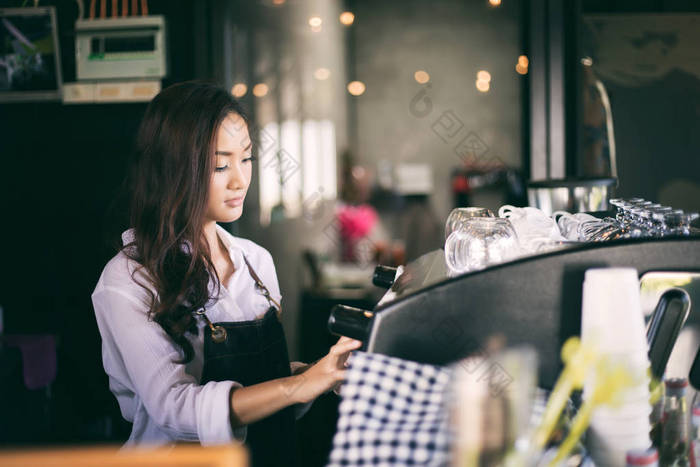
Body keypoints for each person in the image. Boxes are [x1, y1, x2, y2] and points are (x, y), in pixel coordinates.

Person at [91, 82, 362, 465]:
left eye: (246, 158)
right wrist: (298, 385)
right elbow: (174, 407)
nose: (239, 180)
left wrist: (320, 374)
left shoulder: (256, 261)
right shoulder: (128, 280)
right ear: (172, 168)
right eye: (220, 164)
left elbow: (259, 382)